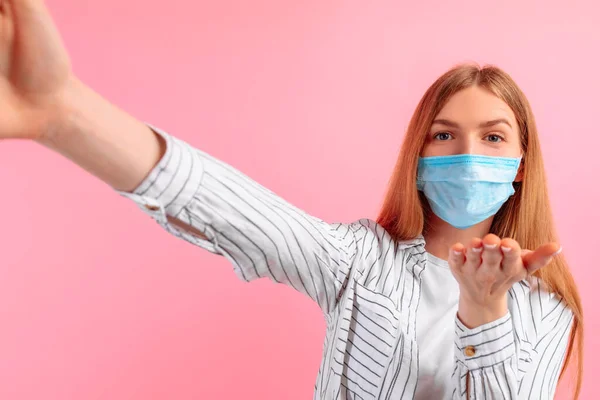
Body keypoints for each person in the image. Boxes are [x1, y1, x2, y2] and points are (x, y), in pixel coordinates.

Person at [0, 0, 583, 399]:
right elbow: (229, 209)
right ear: (418, 154)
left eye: (493, 136)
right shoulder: (363, 261)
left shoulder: (548, 310)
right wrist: (65, 113)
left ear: (521, 164)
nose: (467, 151)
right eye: (444, 134)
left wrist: (484, 312)